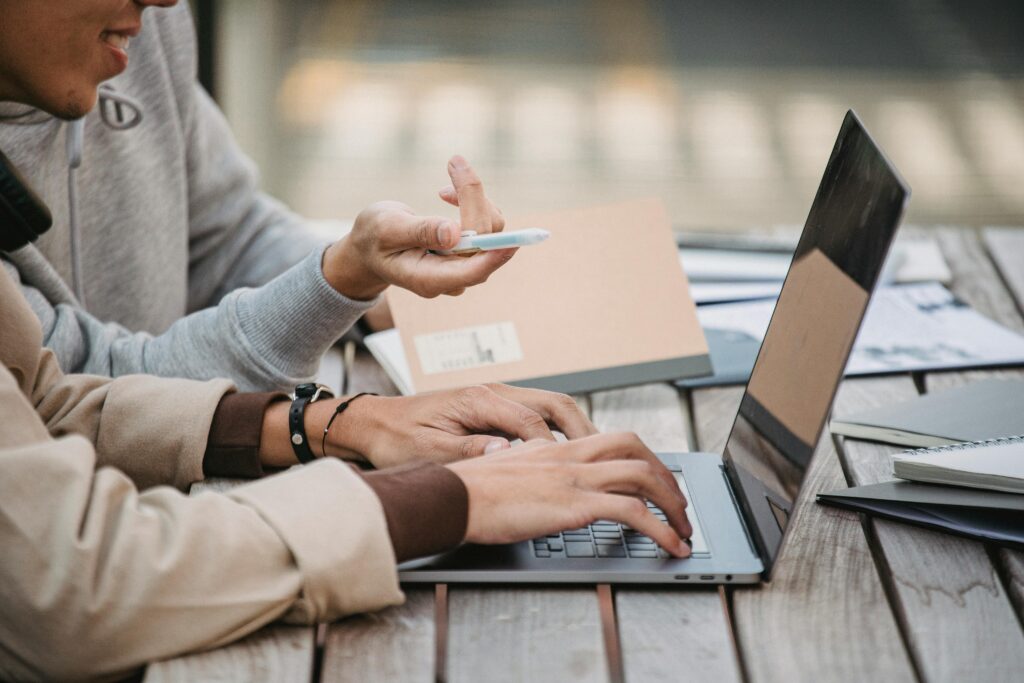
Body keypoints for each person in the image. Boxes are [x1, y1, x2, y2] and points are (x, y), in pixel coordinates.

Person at [0, 1, 693, 679]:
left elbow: (52, 397)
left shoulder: (136, 35)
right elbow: (73, 582)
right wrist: (447, 498)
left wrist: (331, 411)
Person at [0, 0, 506, 392]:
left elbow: (227, 235)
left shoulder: (140, 35)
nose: (165, 3)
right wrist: (341, 279)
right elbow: (81, 390)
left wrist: (386, 279)